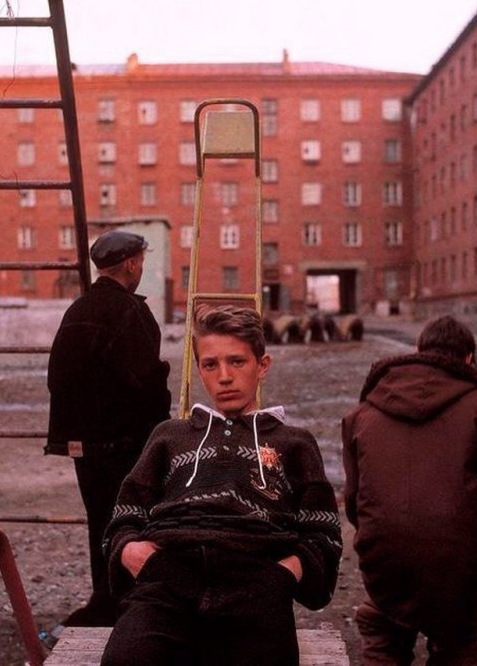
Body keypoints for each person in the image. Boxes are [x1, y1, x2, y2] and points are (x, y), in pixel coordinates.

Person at [100, 305, 342, 666]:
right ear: (200, 370)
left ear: (262, 365)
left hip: (256, 580)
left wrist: (284, 574)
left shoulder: (294, 443)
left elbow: (323, 533)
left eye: (237, 362)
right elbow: (125, 514)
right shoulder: (169, 436)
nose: (224, 377)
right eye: (211, 365)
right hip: (167, 577)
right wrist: (133, 552)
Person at [341, 315, 477, 665]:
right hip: (459, 561)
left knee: (385, 634)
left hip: (384, 560)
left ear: (418, 350)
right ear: (469, 358)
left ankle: (384, 636)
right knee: (459, 636)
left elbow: (354, 497)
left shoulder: (362, 413)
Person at [46, 229, 172, 628]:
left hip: (83, 445)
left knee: (100, 520)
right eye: (141, 262)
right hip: (125, 444)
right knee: (133, 522)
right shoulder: (130, 312)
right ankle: (124, 605)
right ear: (132, 264)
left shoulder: (78, 309)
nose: (141, 268)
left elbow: (57, 378)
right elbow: (147, 383)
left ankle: (104, 599)